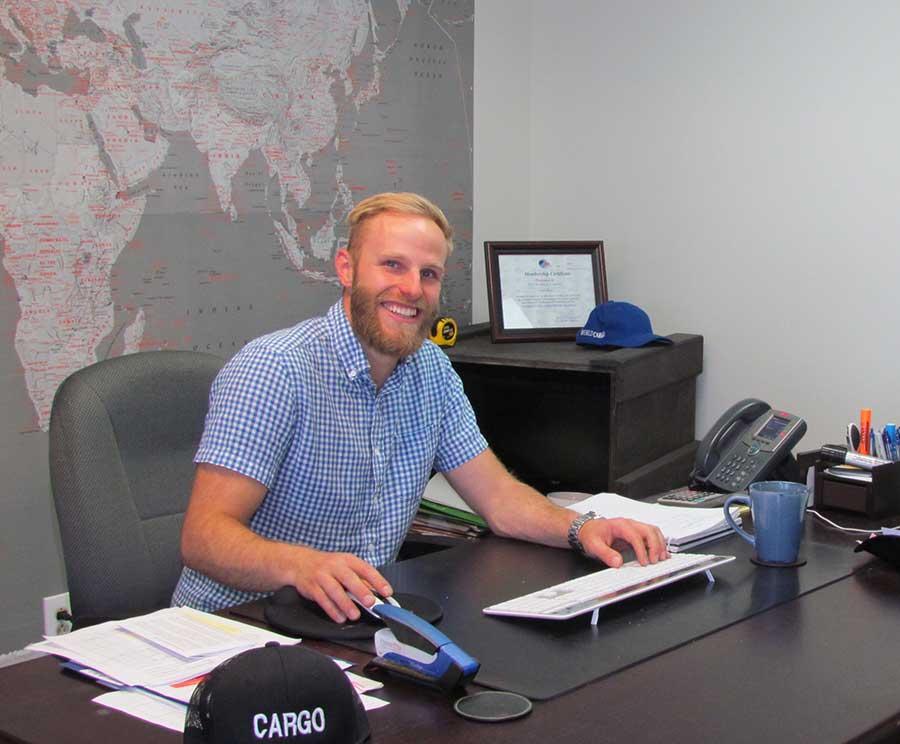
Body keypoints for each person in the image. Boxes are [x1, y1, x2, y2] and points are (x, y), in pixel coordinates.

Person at [173, 192, 669, 622]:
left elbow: (499, 499)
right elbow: (203, 537)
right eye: (392, 265)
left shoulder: (430, 370)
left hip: (346, 625)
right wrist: (302, 566)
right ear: (346, 268)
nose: (412, 289)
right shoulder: (274, 369)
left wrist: (583, 528)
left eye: (428, 274)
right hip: (231, 628)